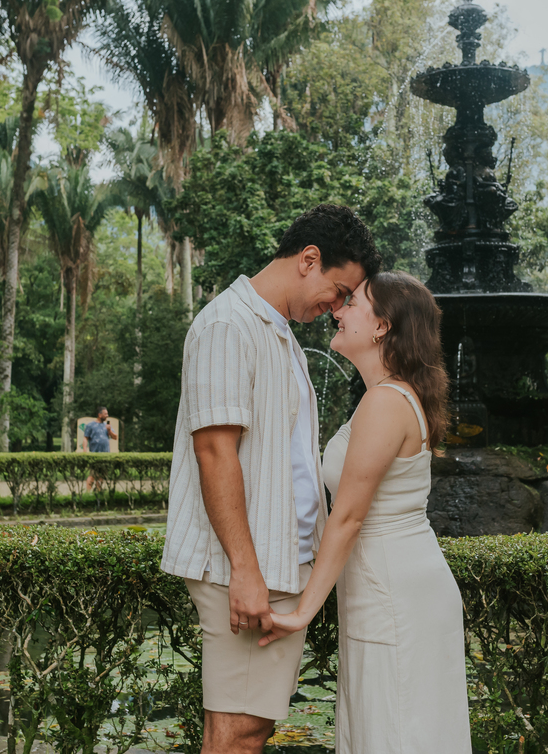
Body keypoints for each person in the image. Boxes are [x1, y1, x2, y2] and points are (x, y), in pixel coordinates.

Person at [161, 204, 381, 754]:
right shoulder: (226, 325)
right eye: (340, 289)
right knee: (240, 732)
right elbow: (215, 452)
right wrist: (246, 570)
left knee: (241, 726)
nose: (338, 307)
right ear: (309, 259)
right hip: (252, 566)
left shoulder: (277, 332)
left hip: (279, 561)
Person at [259, 271, 472, 753]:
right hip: (393, 582)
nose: (337, 309)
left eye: (352, 303)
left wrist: (302, 613)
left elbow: (350, 516)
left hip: (391, 591)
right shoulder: (384, 397)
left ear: (382, 326)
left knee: (393, 730)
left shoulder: (385, 402)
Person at [83, 407, 118, 494]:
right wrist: (84, 451)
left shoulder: (107, 426)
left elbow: (115, 437)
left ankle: (98, 491)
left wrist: (109, 430)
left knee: (101, 475)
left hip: (105, 454)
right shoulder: (91, 425)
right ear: (99, 415)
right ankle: (88, 493)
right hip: (95, 454)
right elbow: (85, 438)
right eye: (105, 414)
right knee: (92, 475)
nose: (107, 415)